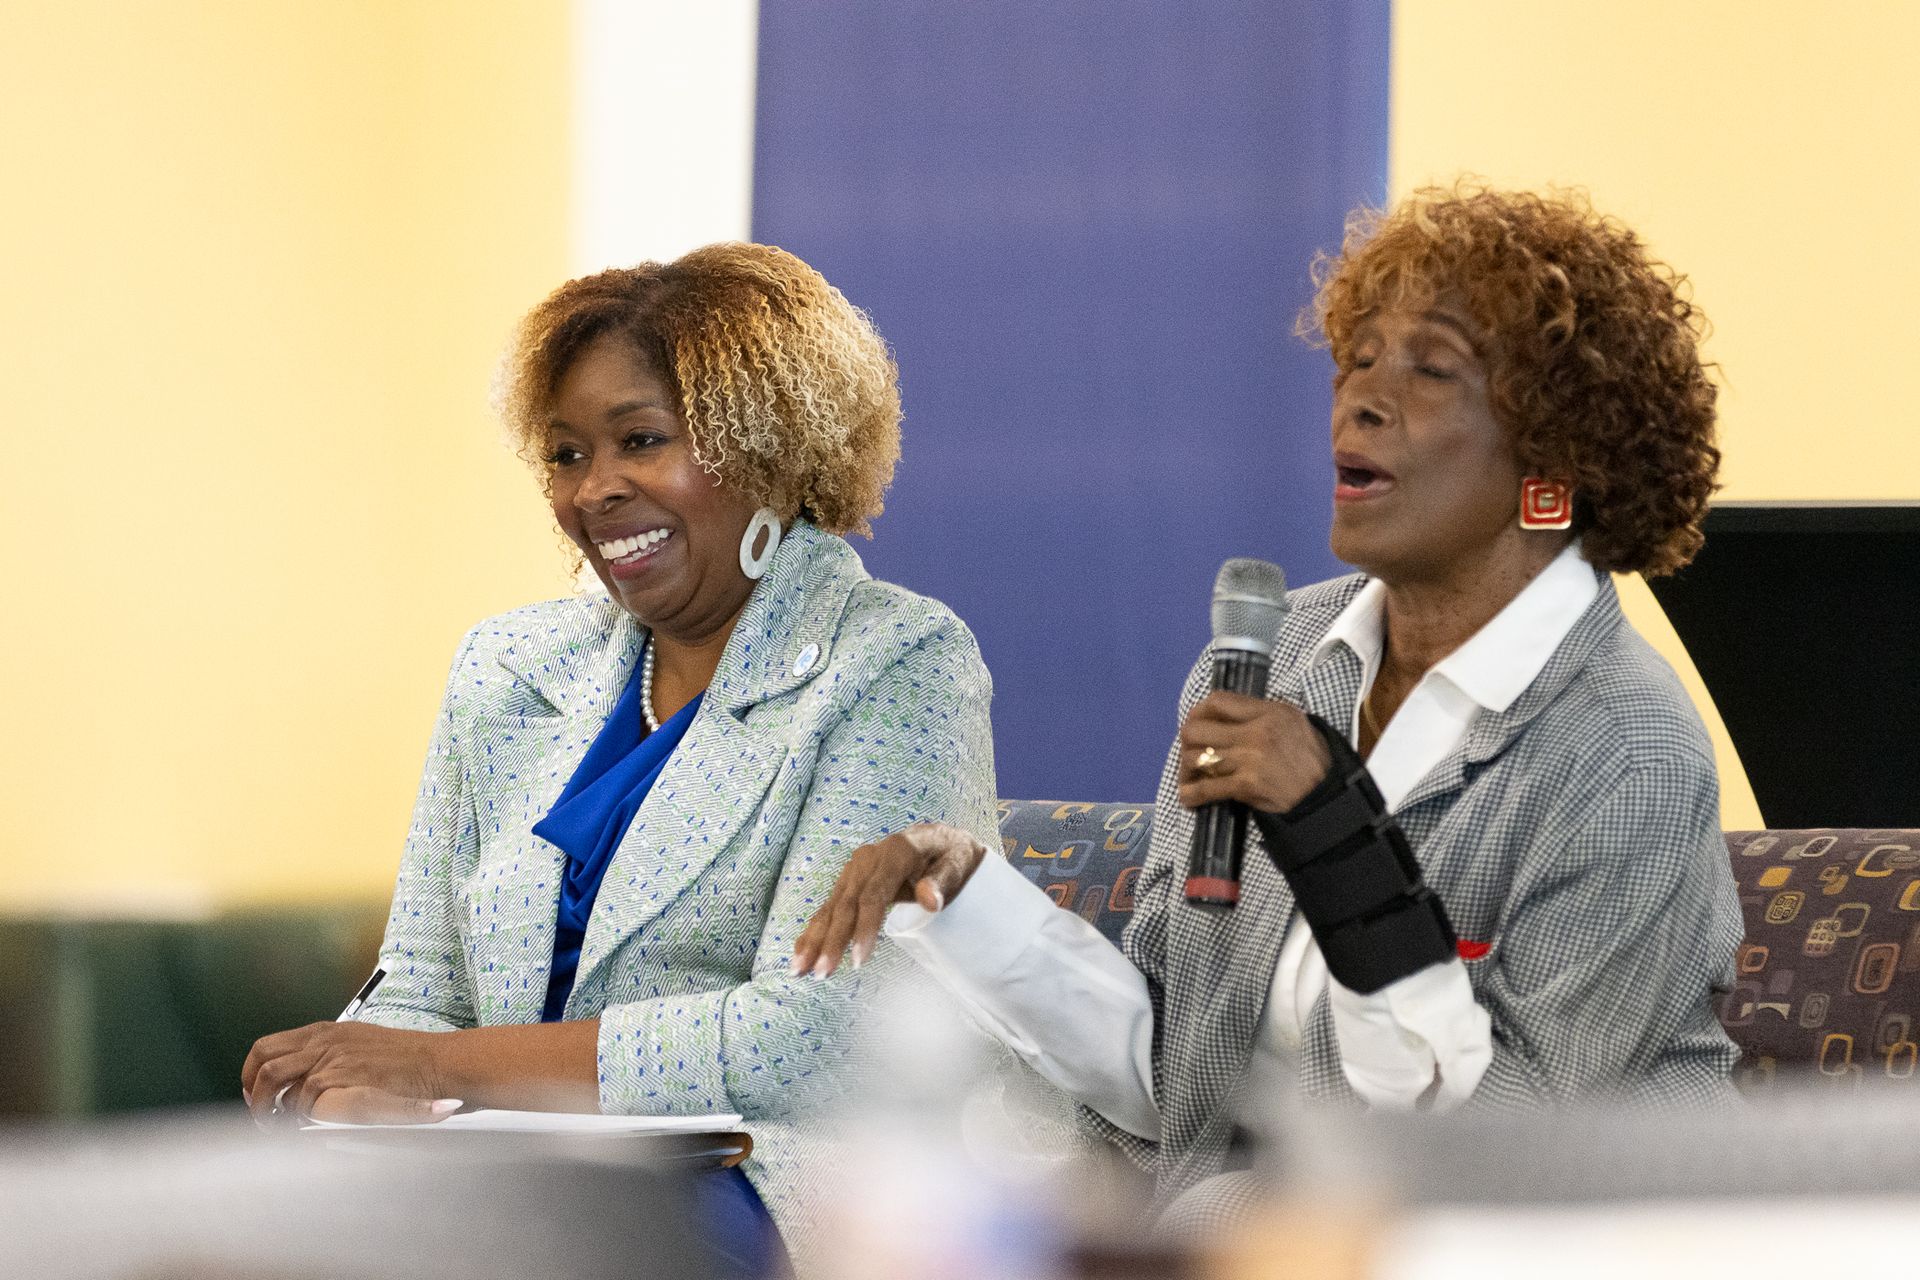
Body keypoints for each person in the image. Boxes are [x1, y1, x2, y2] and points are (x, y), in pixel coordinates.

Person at [793, 183, 1743, 1223]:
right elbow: (1178, 1079)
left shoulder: (1623, 744)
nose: (1361, 398)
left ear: (1558, 461)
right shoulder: (1272, 660)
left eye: (1429, 368)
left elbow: (1510, 1154)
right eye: (1357, 356)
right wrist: (969, 896)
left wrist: (1337, 837)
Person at [242, 243, 997, 1275]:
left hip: (756, 1176)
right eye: (565, 454)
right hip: (490, 1165)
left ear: (770, 447)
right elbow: (418, 976)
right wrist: (366, 1087)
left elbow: (810, 1039)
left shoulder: (895, 663)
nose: (594, 490)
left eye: (639, 440)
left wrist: (438, 1063)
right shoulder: (507, 665)